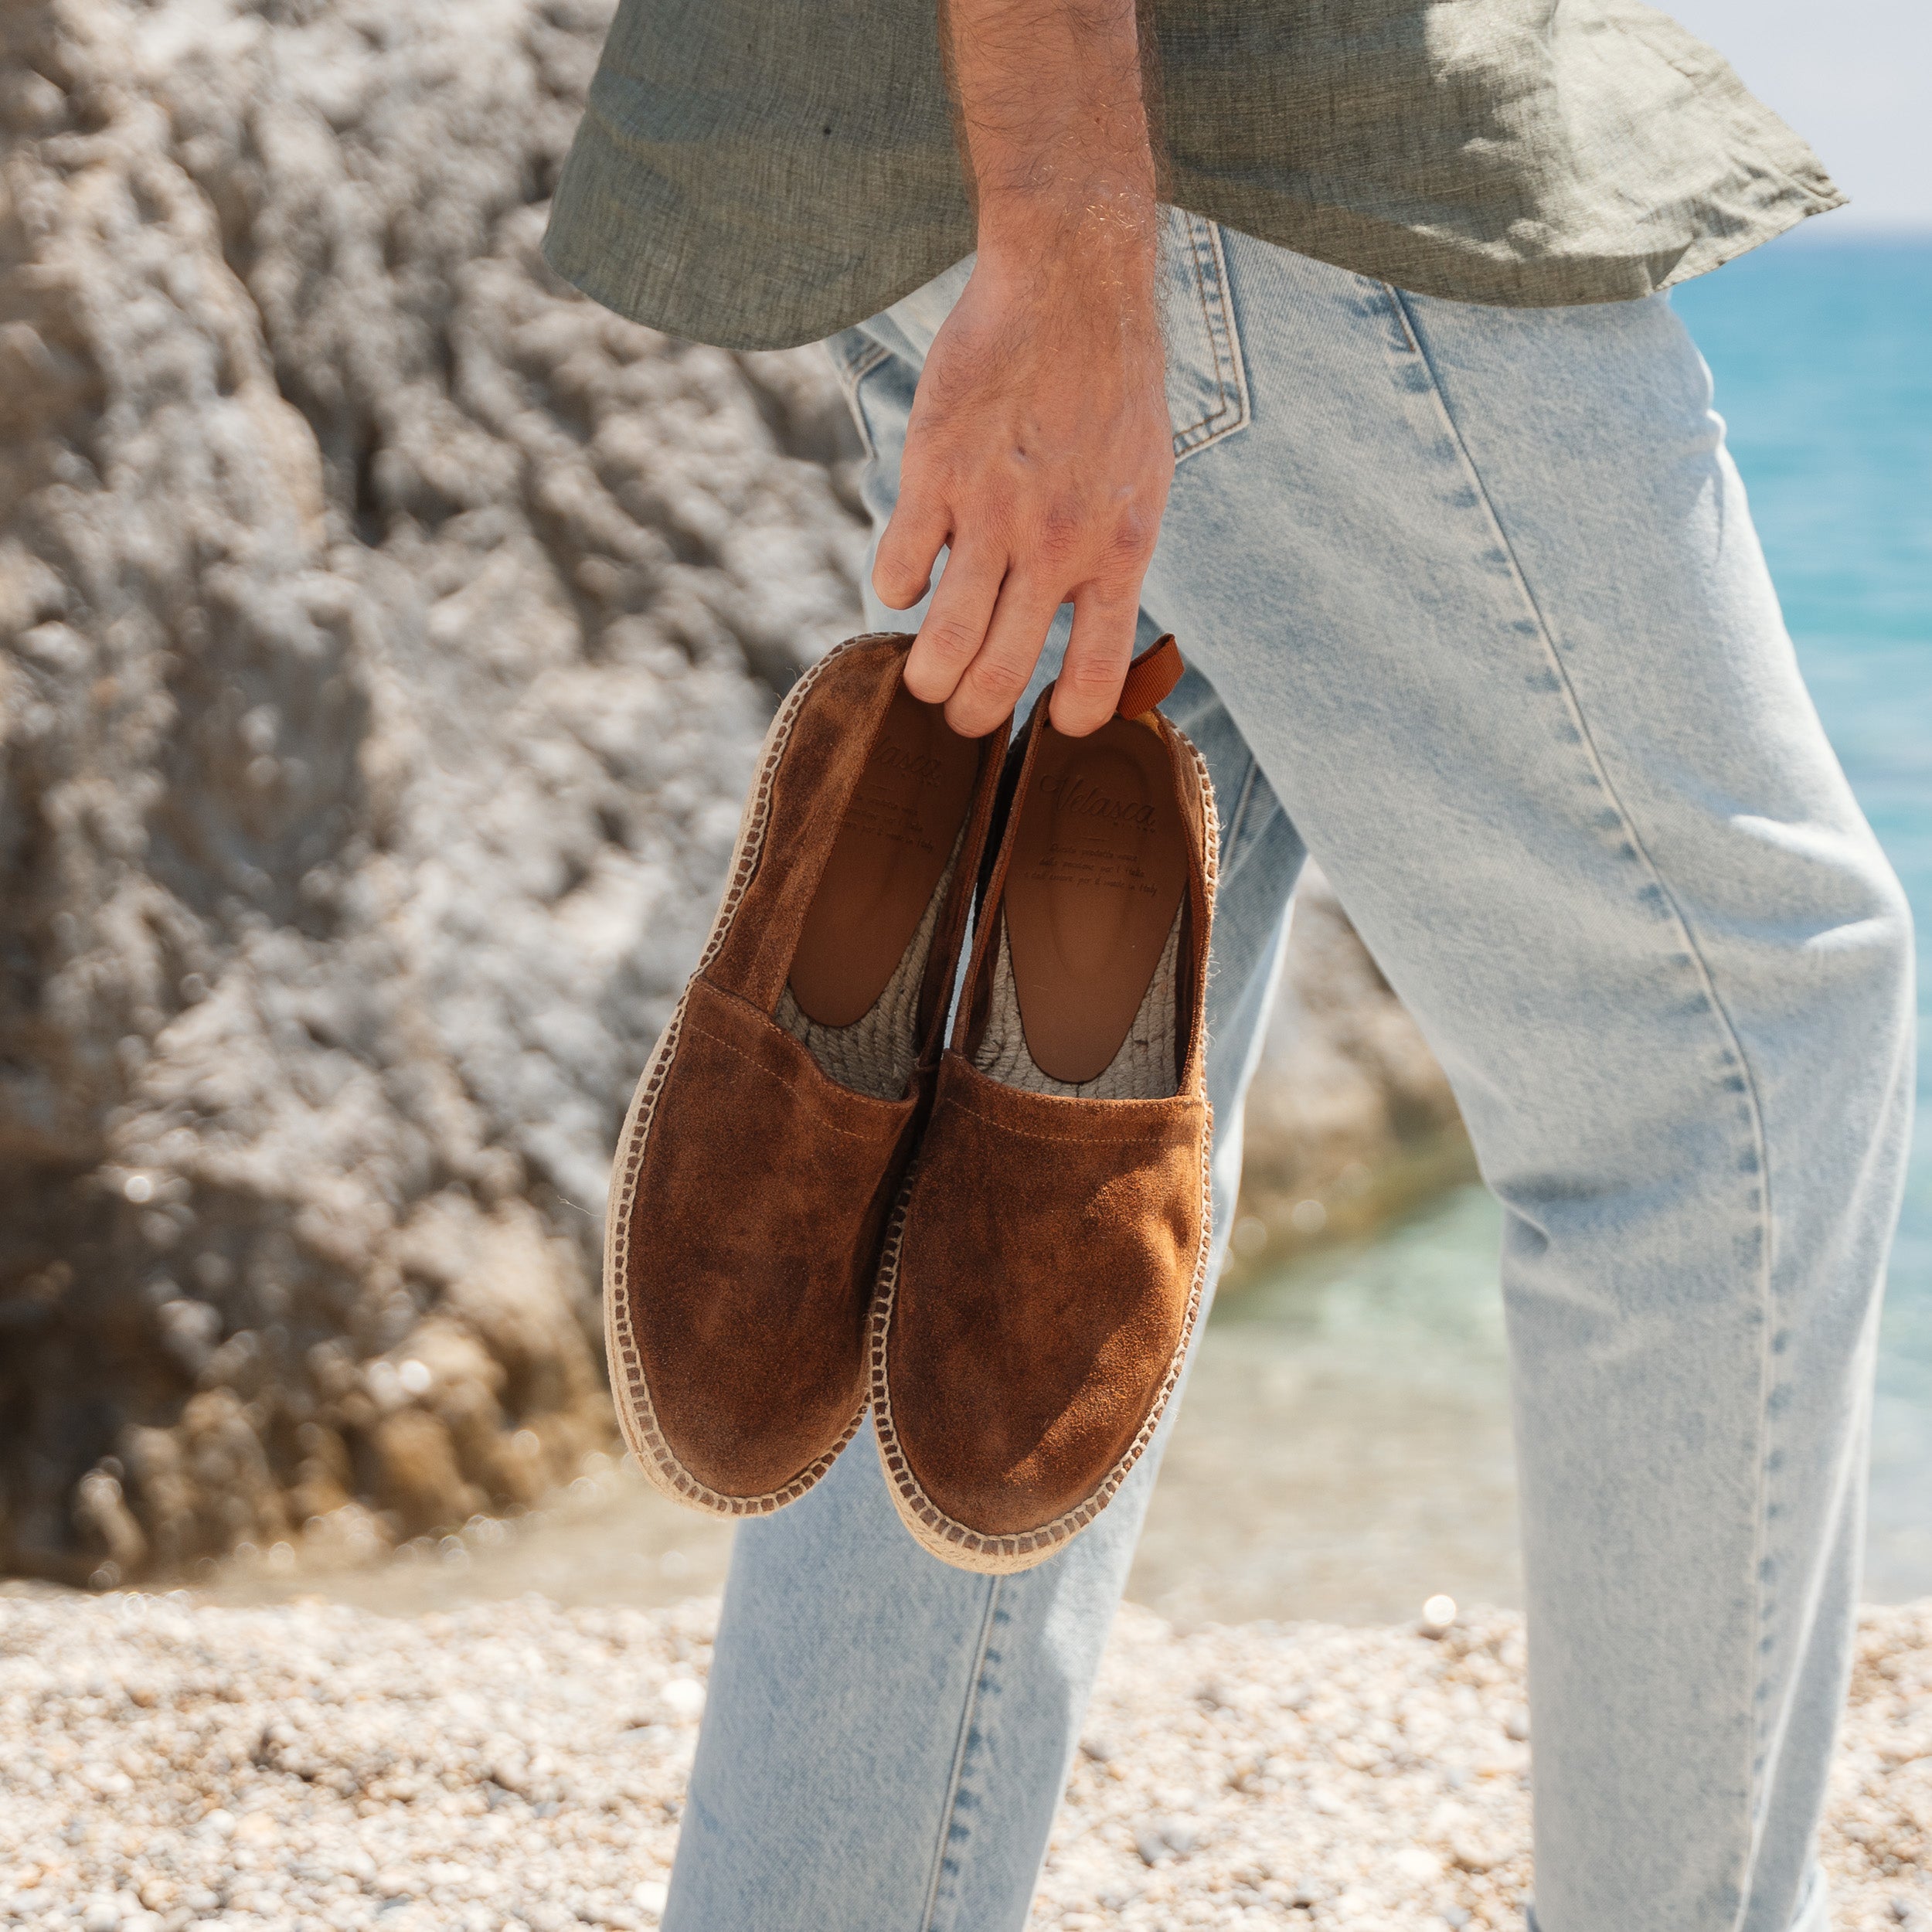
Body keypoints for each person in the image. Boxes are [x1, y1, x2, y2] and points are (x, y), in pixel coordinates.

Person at [542, 4, 1917, 1927]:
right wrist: (1070, 232)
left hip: (1028, 145)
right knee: (1736, 1044)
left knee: (1005, 1163)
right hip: (1227, 141)